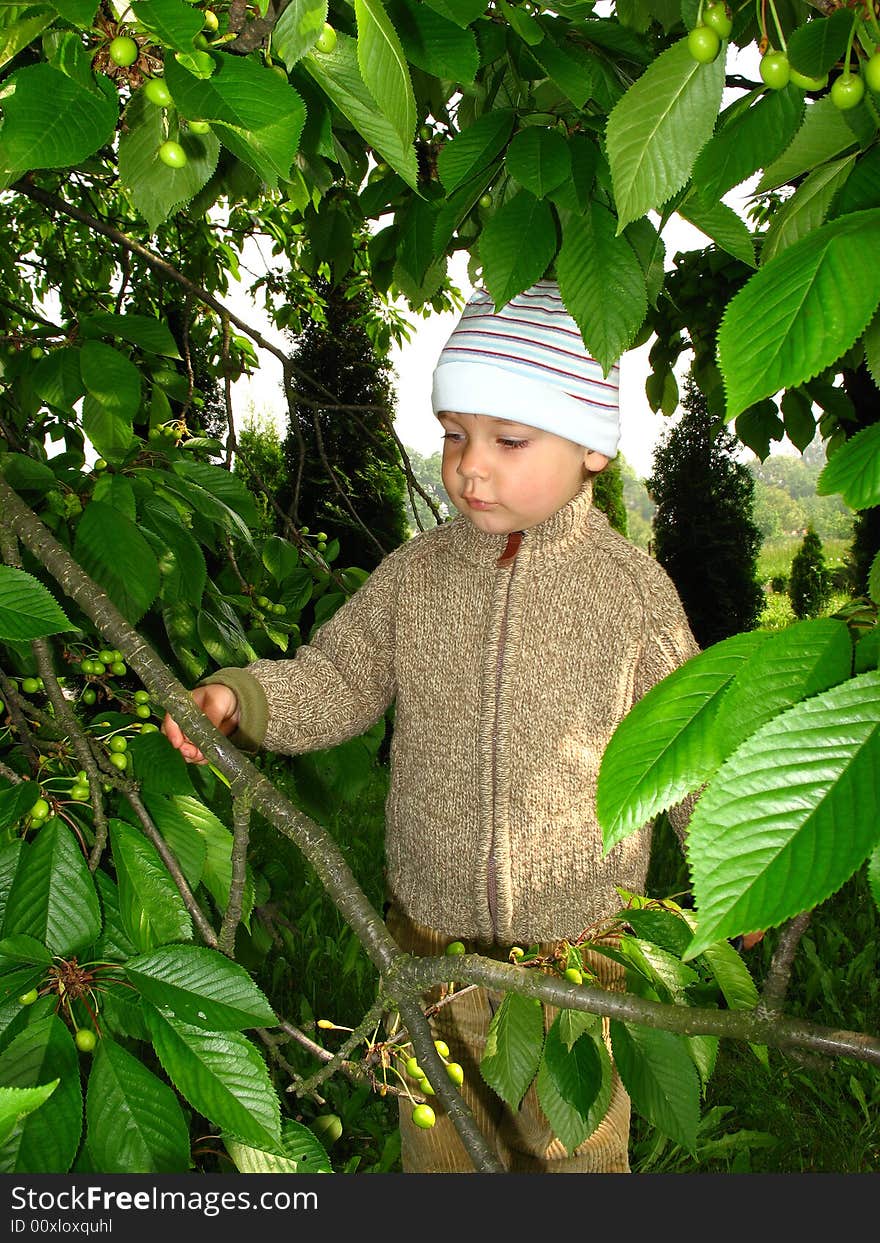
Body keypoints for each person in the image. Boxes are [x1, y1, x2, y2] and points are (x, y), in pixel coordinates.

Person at [163, 279, 700, 1174]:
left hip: (579, 970)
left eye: (509, 439)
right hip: (432, 963)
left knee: (576, 1152)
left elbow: (690, 733)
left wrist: (734, 858)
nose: (469, 466)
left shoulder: (631, 592)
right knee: (442, 1157)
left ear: (593, 449)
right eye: (454, 434)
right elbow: (337, 674)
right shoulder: (415, 577)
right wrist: (243, 699)